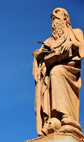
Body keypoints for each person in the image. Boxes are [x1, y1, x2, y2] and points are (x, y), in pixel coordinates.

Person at [33, 8, 84, 137]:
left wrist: (72, 44)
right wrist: (40, 54)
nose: (53, 16)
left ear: (65, 18)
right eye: (52, 16)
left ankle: (66, 116)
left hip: (69, 70)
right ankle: (53, 120)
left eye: (57, 13)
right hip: (51, 73)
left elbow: (82, 47)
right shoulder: (49, 41)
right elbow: (38, 56)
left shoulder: (75, 32)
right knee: (51, 75)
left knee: (56, 71)